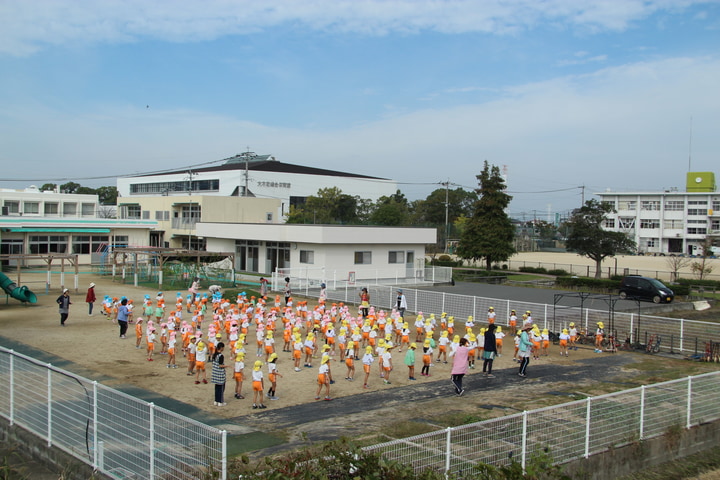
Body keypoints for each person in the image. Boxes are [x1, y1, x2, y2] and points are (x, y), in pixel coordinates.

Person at [211, 342, 229, 407]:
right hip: (220, 374)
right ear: (221, 348)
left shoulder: (214, 354)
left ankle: (216, 400)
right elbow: (220, 365)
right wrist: (227, 366)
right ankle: (220, 401)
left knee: (217, 388)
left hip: (215, 373)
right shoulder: (221, 356)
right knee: (221, 388)